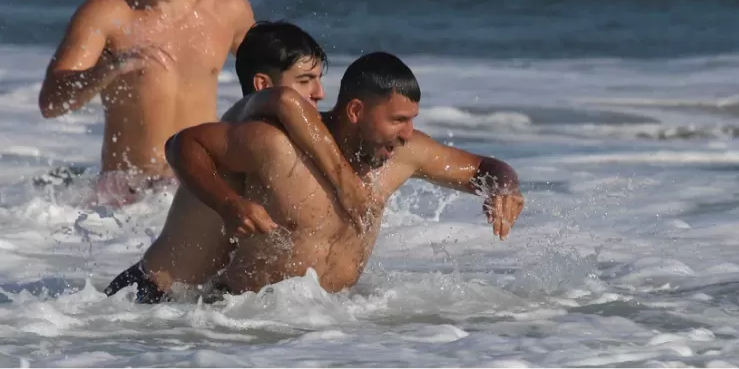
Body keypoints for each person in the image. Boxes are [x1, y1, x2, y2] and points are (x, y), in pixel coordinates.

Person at [167, 51, 525, 300]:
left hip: (337, 332)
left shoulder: (404, 154)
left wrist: (503, 188)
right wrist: (228, 203)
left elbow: (484, 168)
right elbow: (183, 145)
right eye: (398, 120)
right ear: (356, 110)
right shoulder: (277, 146)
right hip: (245, 328)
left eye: (412, 119)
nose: (407, 132)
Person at [103, 20, 372, 303]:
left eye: (319, 79)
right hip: (149, 295)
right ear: (262, 85)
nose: (319, 93)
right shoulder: (243, 117)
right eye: (305, 80)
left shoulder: (275, 138)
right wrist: (346, 184)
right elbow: (178, 144)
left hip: (188, 306)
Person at [38, 0, 255, 205]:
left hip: (201, 191)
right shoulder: (108, 13)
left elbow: (270, 79)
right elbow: (51, 103)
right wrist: (111, 67)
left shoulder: (228, 8)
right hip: (126, 200)